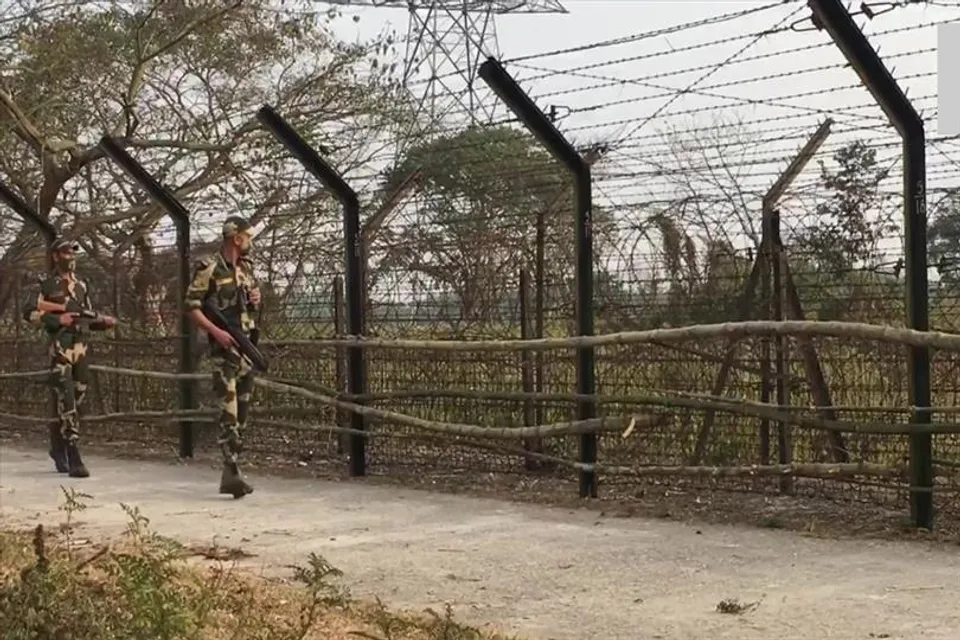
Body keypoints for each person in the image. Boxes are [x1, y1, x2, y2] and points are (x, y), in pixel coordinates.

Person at [185, 215, 261, 498]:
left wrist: (256, 299)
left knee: (242, 416)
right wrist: (215, 332)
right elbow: (192, 306)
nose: (250, 241)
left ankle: (231, 471)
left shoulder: (246, 268)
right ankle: (231, 471)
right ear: (236, 238)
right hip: (223, 353)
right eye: (247, 236)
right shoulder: (210, 268)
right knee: (228, 416)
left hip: (245, 350)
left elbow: (250, 303)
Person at [26, 238, 116, 477]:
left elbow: (85, 315)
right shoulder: (45, 284)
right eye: (66, 253)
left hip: (81, 347)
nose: (71, 257)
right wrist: (57, 319)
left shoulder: (81, 286)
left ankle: (58, 446)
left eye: (73, 253)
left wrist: (102, 323)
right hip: (60, 347)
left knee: (77, 399)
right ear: (56, 256)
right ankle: (73, 452)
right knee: (66, 398)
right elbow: (30, 312)